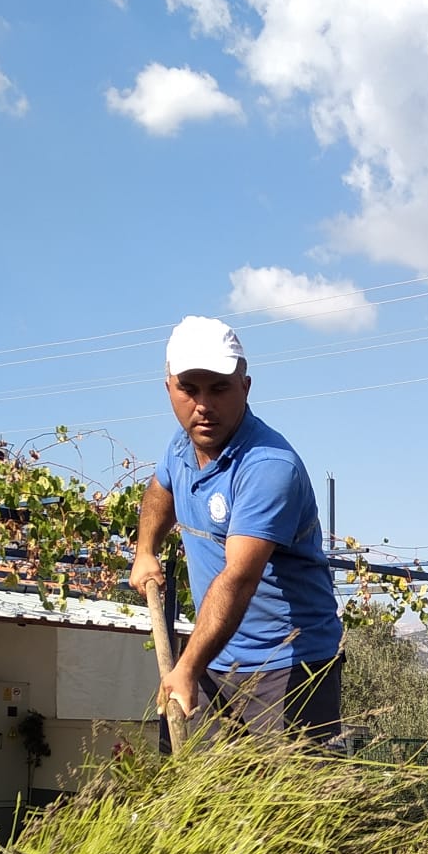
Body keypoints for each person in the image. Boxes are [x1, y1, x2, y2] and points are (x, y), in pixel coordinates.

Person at [129, 315, 343, 740]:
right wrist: (145, 550)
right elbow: (160, 491)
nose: (203, 405)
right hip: (216, 658)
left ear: (245, 387)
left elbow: (239, 578)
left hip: (288, 669)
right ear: (169, 388)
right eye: (189, 390)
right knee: (206, 801)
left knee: (289, 804)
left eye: (219, 388)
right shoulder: (183, 443)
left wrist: (185, 667)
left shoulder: (267, 467)